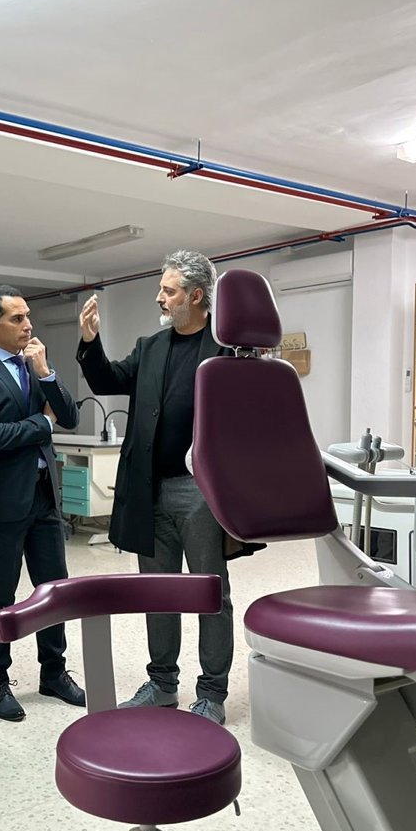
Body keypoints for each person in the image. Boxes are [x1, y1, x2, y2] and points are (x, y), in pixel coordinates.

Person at [75, 250, 237, 725]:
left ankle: (212, 693)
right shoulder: (151, 346)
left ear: (196, 295)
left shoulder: (226, 351)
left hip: (200, 490)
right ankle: (162, 684)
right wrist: (90, 341)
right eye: (161, 289)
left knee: (210, 592)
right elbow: (107, 379)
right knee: (157, 591)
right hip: (150, 489)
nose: (159, 297)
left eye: (169, 290)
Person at [0, 287, 85, 721]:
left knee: (55, 589)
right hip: (5, 500)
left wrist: (46, 373)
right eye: (17, 318)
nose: (28, 325)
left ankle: (54, 673)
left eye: (28, 316)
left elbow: (70, 417)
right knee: (1, 591)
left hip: (45, 496)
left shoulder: (36, 364)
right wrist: (43, 424)